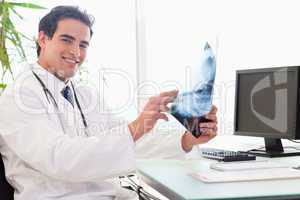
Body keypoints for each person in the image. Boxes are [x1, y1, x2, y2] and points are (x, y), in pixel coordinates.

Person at [0, 6, 217, 200]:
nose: (76, 52)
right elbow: (60, 159)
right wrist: (134, 128)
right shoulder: (19, 96)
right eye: (66, 40)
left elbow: (125, 139)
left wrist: (186, 140)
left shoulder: (84, 94)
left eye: (83, 44)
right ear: (43, 39)